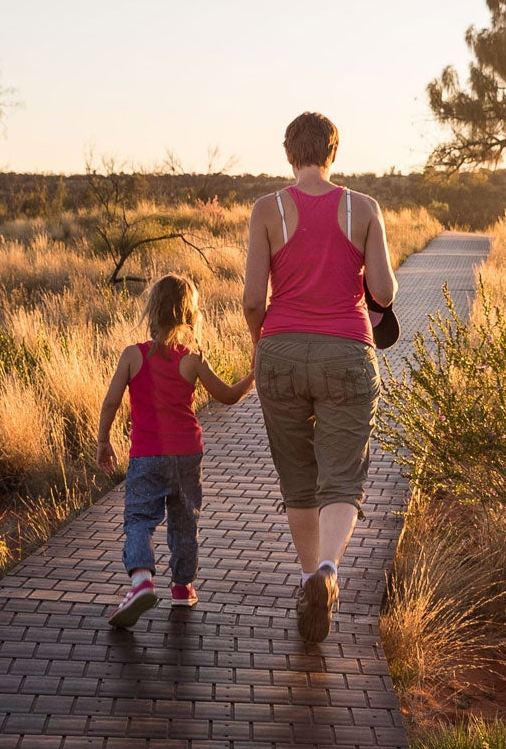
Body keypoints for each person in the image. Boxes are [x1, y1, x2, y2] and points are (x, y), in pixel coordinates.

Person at [243, 111, 397, 643]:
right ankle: (329, 570)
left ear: (289, 153)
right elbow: (384, 291)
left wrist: (262, 342)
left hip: (281, 349)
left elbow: (250, 298)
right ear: (334, 152)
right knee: (342, 474)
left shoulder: (267, 209)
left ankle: (308, 575)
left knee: (297, 474)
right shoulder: (364, 208)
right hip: (347, 352)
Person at [96, 272, 254, 628]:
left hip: (146, 455)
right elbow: (227, 396)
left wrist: (103, 440)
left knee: (139, 518)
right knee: (184, 521)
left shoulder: (132, 356)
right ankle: (182, 587)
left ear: (152, 311)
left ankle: (141, 581)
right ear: (189, 315)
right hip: (187, 454)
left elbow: (110, 403)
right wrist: (251, 376)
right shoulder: (192, 360)